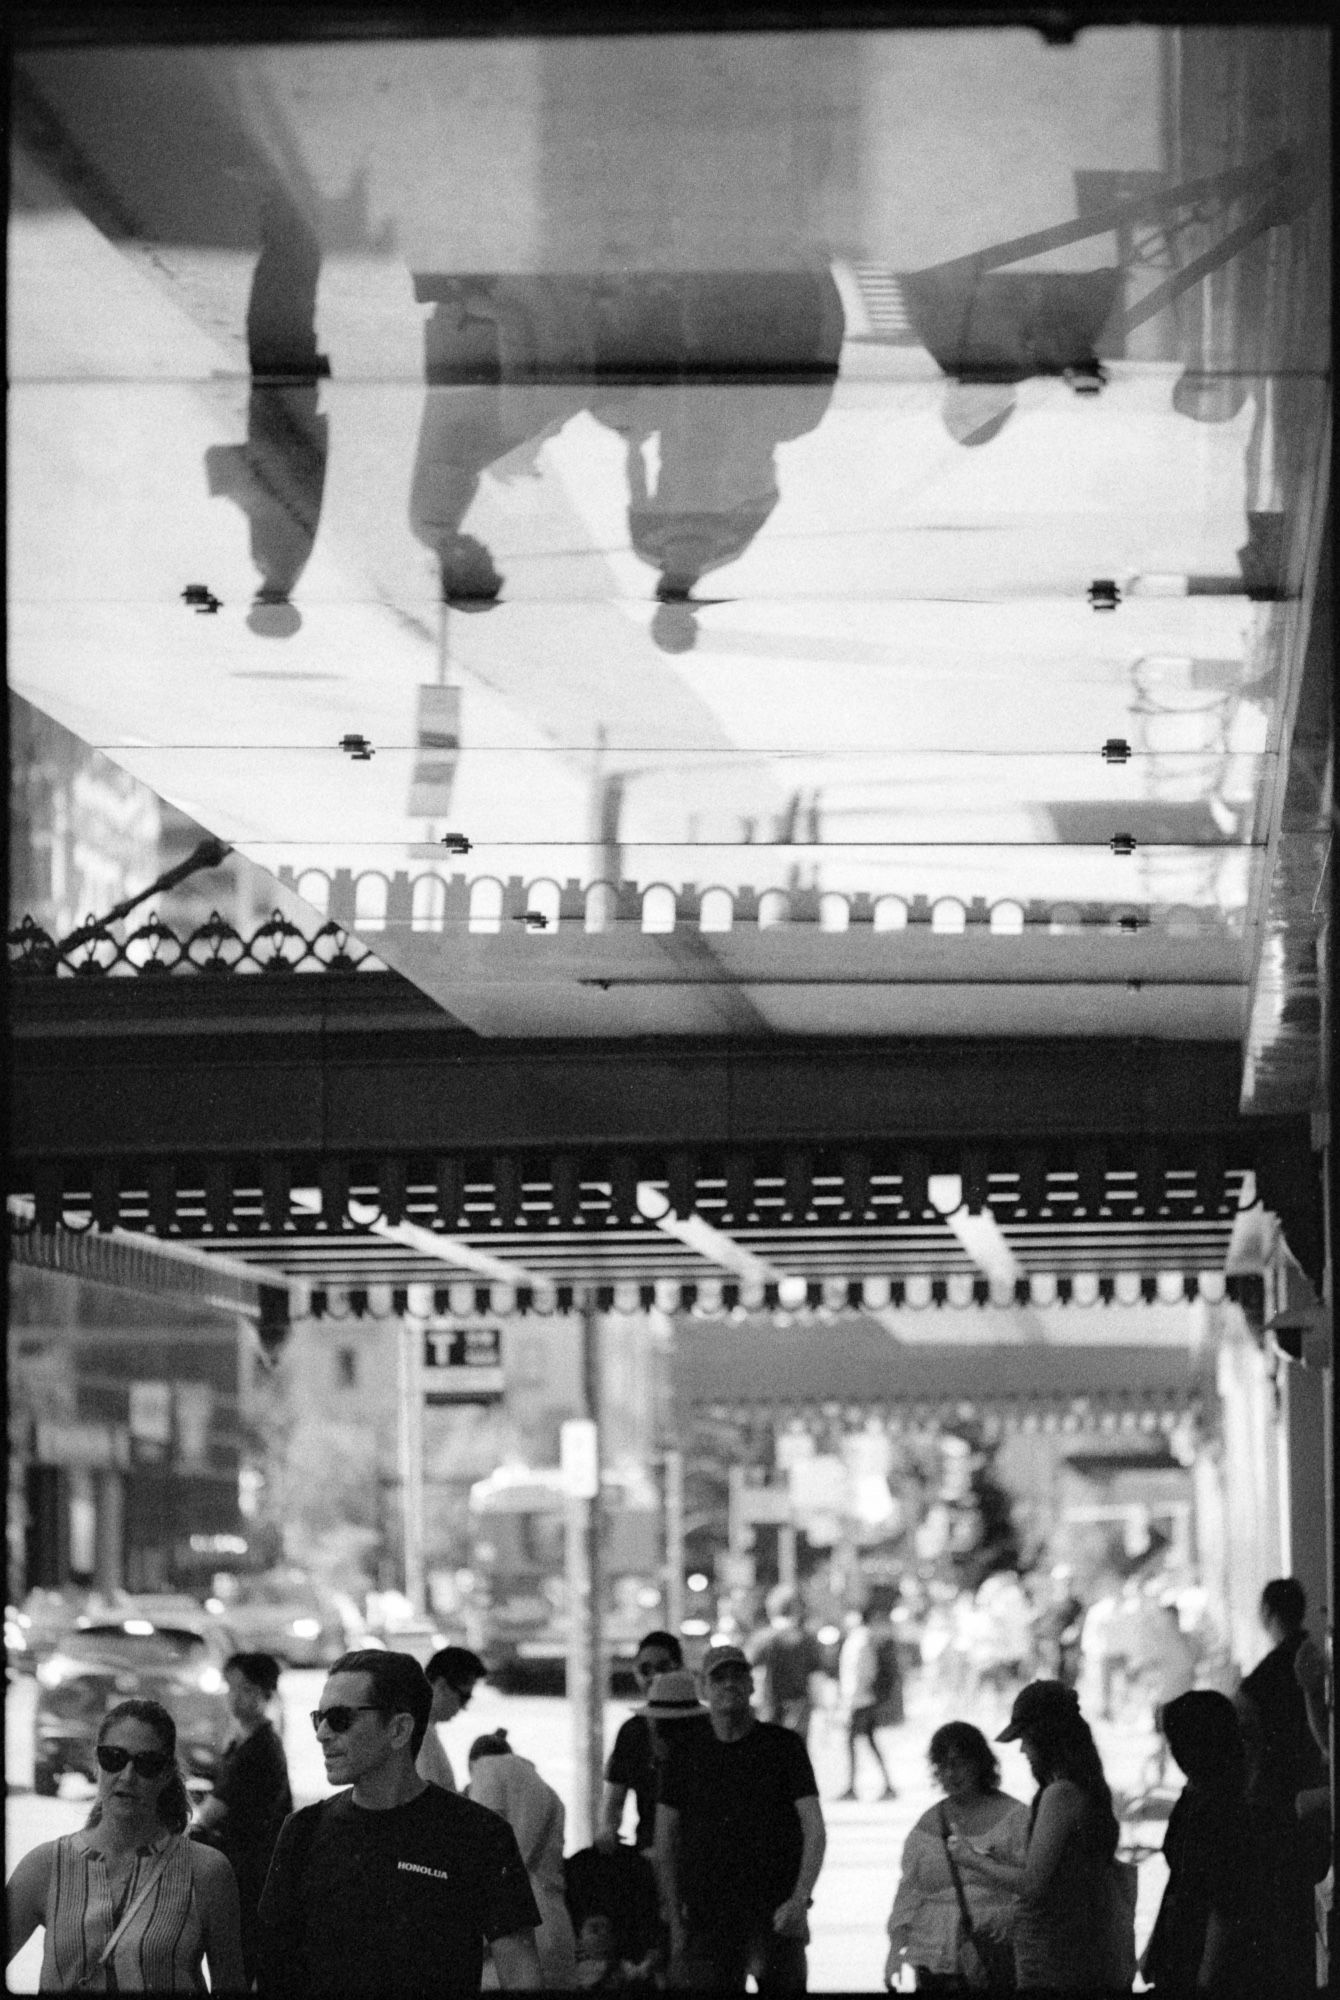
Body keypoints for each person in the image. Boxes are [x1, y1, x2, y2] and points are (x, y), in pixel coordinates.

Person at [256, 1648, 543, 1997]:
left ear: (398, 1729)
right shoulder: (303, 1831)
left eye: (340, 1718)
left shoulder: (477, 1835)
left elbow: (520, 1972)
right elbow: (273, 1970)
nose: (322, 1733)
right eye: (319, 1718)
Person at [6, 1697, 246, 1992]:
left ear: (166, 1773)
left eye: (146, 1764)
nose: (127, 1776)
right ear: (97, 1763)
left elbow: (231, 1985)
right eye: (113, 1758)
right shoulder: (44, 1867)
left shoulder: (207, 1872)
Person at [656, 1641, 826, 1992]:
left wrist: (800, 1899)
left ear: (751, 1684)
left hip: (775, 1915)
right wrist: (675, 1921)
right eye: (719, 1678)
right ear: (703, 1688)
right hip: (707, 1918)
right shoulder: (685, 1753)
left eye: (738, 1676)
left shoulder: (784, 1747)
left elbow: (814, 1828)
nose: (729, 1684)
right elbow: (666, 1838)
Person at [948, 1679, 1121, 1991]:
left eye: (1026, 1738)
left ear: (1048, 1737)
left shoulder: (1061, 1794)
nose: (1024, 1749)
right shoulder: (1084, 1786)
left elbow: (1033, 1884)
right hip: (1079, 1947)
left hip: (1057, 1956)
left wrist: (970, 1859)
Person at [1140, 1691, 1270, 1998]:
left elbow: (1223, 1905)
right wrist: (1154, 1949)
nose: (1172, 1752)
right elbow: (1180, 1884)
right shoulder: (1196, 1795)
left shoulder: (1219, 1809)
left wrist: (1204, 1982)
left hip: (1202, 1965)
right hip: (1182, 1954)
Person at [885, 1721, 1028, 1993]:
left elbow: (1030, 1885)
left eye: (960, 1763)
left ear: (981, 1764)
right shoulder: (928, 1823)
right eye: (943, 1765)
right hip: (932, 1957)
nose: (951, 1773)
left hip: (993, 1954)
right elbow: (909, 1892)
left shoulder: (1015, 1818)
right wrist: (895, 1952)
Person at [1234, 1578, 1329, 1993]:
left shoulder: (1266, 1676)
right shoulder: (1315, 1658)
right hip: (1318, 1793)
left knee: (1287, 1907)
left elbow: (1246, 1733)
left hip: (1279, 1802)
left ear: (1267, 1613)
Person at [192, 1649, 292, 1984]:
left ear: (266, 1695)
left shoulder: (260, 1748)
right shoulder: (243, 1741)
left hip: (251, 1875)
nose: (236, 1698)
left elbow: (216, 1809)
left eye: (246, 1690)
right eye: (231, 1688)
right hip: (244, 1870)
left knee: (239, 1964)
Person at [467, 1729, 578, 1989]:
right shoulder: (551, 1795)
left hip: (515, 1929)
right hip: (556, 1923)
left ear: (473, 1763)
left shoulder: (487, 1767)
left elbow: (485, 1850)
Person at [599, 1629, 686, 1852]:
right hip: (647, 1850)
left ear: (680, 1668)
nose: (654, 1676)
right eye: (645, 1669)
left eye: (664, 1667)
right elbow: (613, 1800)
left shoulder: (703, 1727)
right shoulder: (631, 1731)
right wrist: (608, 1830)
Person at [747, 1587, 828, 1745]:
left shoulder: (762, 1640)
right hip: (800, 1707)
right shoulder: (807, 1640)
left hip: (769, 1706)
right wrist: (822, 1707)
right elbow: (816, 1677)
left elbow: (748, 1672)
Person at [836, 1603, 898, 1801]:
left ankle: (853, 1786)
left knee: (852, 1742)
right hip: (862, 1698)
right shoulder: (862, 1639)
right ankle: (886, 1785)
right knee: (868, 1742)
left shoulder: (861, 1640)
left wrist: (850, 1700)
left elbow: (861, 1672)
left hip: (859, 1700)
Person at [417, 1644, 489, 1792]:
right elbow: (427, 1803)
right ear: (442, 1686)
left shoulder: (422, 1730)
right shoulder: (420, 1734)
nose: (464, 1707)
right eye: (464, 1697)